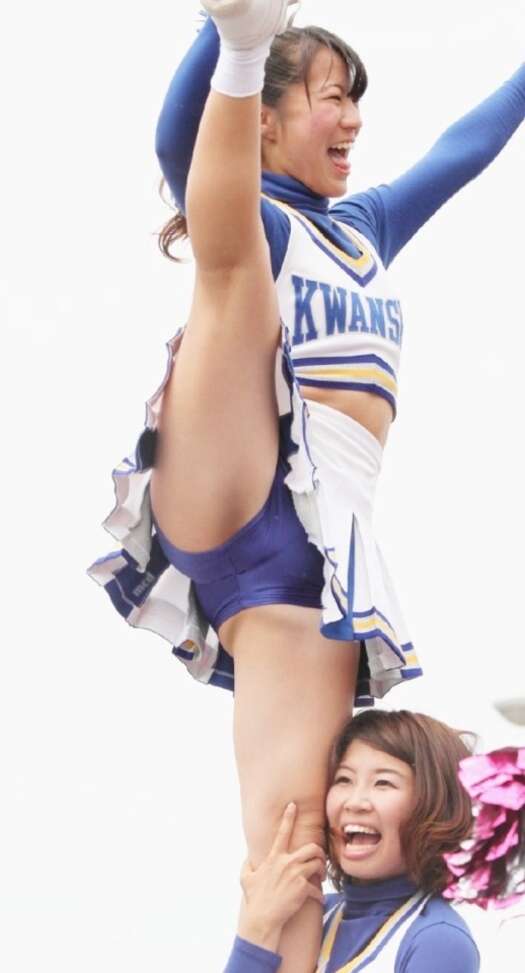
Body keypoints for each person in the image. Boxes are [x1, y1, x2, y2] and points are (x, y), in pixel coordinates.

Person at [88, 3, 525, 970]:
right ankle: (247, 29)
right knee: (234, 262)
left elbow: (463, 148)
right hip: (224, 475)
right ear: (264, 122)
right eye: (333, 97)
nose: (354, 120)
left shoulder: (366, 227)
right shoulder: (253, 215)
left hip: (305, 570)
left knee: (288, 852)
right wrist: (229, 35)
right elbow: (178, 142)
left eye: (357, 101)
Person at [223, 709, 480, 972]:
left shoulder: (437, 940)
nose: (354, 802)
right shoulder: (311, 914)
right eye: (344, 779)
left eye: (383, 783)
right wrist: (257, 927)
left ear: (437, 806)